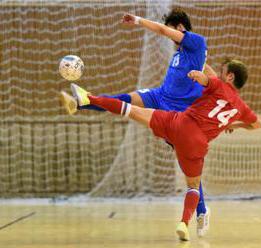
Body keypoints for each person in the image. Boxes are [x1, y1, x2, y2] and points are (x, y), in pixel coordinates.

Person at [64, 57, 261, 241]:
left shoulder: (218, 85)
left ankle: (88, 99)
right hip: (197, 144)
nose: (219, 75)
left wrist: (196, 73)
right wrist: (231, 125)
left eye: (223, 72)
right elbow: (256, 125)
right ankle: (184, 224)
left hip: (179, 124)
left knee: (132, 110)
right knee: (193, 186)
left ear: (230, 76)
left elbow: (205, 77)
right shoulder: (242, 108)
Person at [61, 8, 214, 236]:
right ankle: (82, 101)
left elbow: (163, 31)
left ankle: (201, 210)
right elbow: (210, 75)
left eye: (172, 29)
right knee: (127, 98)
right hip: (159, 96)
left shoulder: (196, 42)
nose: (168, 34)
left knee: (188, 169)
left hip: (176, 113)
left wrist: (138, 21)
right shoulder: (180, 53)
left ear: (180, 27)